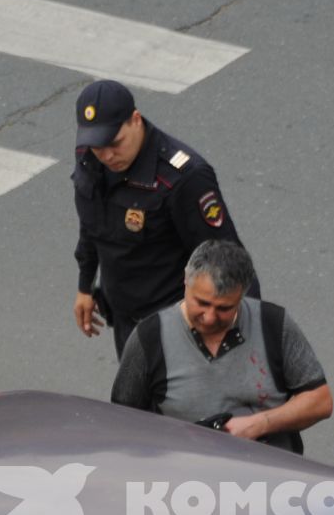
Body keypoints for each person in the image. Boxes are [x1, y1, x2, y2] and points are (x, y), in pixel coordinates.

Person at [70, 80, 251, 354]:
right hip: (126, 323)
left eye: (114, 143)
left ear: (135, 120)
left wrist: (249, 340)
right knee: (130, 397)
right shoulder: (90, 157)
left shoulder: (183, 178)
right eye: (97, 145)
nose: (106, 155)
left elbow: (227, 259)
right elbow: (92, 224)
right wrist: (85, 285)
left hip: (178, 332)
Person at [110, 241, 331, 453]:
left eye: (224, 308)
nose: (209, 318)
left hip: (270, 477)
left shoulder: (272, 324)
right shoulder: (149, 338)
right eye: (202, 303)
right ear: (186, 281)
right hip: (186, 482)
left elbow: (320, 401)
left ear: (242, 294)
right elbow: (122, 420)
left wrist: (260, 424)